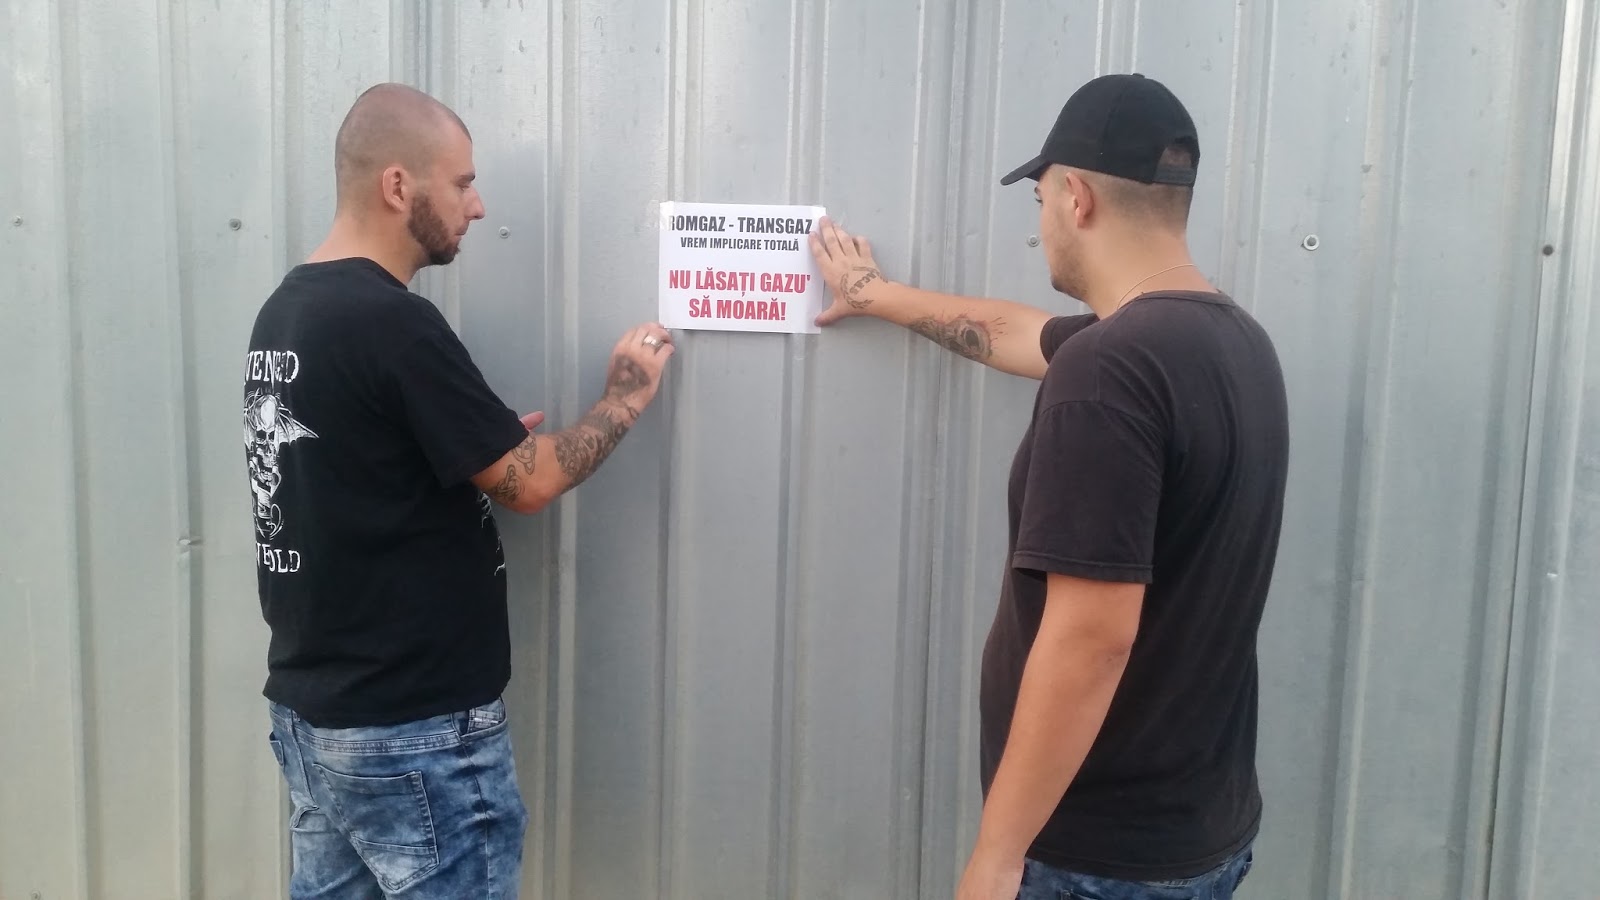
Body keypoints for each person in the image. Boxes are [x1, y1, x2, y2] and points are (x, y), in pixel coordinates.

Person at [809, 73, 1288, 900]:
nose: (1041, 226)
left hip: (1098, 857)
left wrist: (998, 854)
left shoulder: (1111, 370)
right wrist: (874, 295)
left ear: (1076, 198)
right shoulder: (1234, 341)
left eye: (1038, 202)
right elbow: (1016, 331)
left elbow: (1092, 638)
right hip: (1200, 828)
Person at [243, 82, 674, 899]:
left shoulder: (287, 311)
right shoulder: (393, 323)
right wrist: (624, 398)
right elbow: (531, 482)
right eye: (463, 183)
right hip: (414, 736)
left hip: (317, 719)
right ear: (397, 185)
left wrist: (474, 437)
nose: (477, 207)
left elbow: (355, 461)